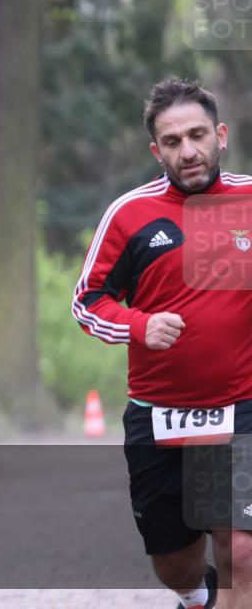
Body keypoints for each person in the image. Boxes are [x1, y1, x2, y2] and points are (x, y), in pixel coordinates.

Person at [72, 78, 251, 609]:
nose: (188, 151)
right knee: (176, 563)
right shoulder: (129, 215)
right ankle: (195, 598)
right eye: (172, 141)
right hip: (160, 415)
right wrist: (138, 325)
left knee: (240, 552)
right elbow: (88, 303)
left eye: (198, 135)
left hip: (241, 408)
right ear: (157, 150)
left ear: (220, 135)